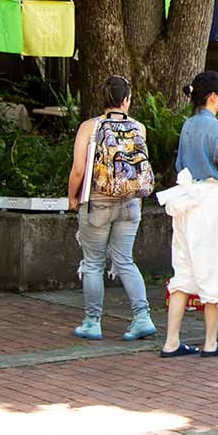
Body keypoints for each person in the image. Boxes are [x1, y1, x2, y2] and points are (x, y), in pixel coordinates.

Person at [66, 76, 156, 342]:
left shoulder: (90, 127)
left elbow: (79, 170)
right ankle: (142, 318)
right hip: (130, 204)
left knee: (93, 263)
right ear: (126, 100)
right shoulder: (139, 127)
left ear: (103, 98)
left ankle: (92, 322)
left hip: (98, 202)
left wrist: (72, 197)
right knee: (125, 260)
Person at [159, 71, 218, 359]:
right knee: (213, 269)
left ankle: (171, 340)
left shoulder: (188, 125)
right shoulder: (217, 128)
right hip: (210, 199)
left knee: (183, 269)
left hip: (186, 198)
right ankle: (211, 341)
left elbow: (181, 165)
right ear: (213, 97)